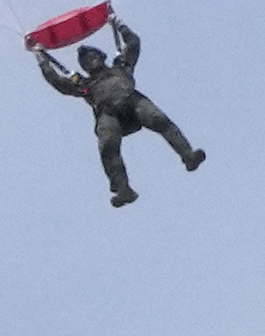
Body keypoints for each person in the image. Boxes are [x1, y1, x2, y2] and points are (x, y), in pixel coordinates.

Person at [37, 22, 205, 206]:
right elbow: (58, 82)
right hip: (108, 114)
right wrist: (42, 59)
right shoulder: (84, 85)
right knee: (108, 146)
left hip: (132, 102)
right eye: (86, 62)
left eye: (93, 57)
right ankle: (123, 189)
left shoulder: (121, 67)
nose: (90, 61)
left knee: (158, 119)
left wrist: (118, 25)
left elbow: (133, 43)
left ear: (102, 57)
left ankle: (188, 155)